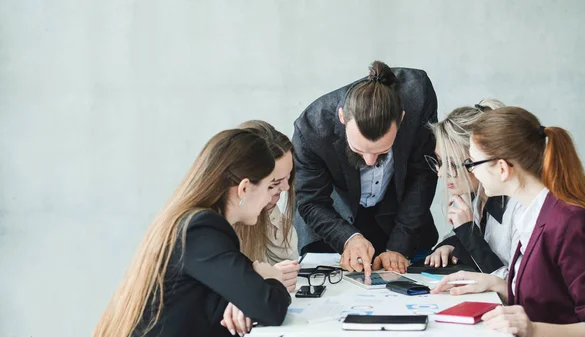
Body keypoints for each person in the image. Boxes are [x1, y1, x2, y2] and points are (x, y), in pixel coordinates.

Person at [93, 129, 291, 337]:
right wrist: (272, 278)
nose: (270, 198)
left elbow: (245, 294)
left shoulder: (197, 225)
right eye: (270, 187)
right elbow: (268, 308)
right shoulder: (201, 230)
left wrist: (248, 293)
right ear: (244, 189)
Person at [432, 107, 585, 337]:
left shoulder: (571, 222)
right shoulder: (533, 214)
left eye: (472, 164)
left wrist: (533, 329)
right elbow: (548, 299)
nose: (472, 174)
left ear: (502, 168)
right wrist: (495, 284)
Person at [293, 60, 439, 276]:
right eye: (359, 150)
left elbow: (423, 175)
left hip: (397, 216)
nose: (370, 161)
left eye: (382, 152)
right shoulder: (312, 128)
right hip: (335, 220)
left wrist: (399, 246)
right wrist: (347, 238)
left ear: (401, 119)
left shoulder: (419, 96)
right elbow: (311, 200)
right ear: (342, 117)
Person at [423, 99, 522, 278]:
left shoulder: (518, 209)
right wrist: (451, 244)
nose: (441, 173)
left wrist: (467, 233)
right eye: (439, 162)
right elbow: (459, 235)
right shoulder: (478, 197)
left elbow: (517, 286)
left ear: (478, 159)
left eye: (452, 163)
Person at [236, 120, 300, 292]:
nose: (286, 188)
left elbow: (289, 260)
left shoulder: (262, 210)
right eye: (275, 183)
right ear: (246, 185)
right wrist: (261, 278)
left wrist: (269, 206)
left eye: (289, 177)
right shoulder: (216, 224)